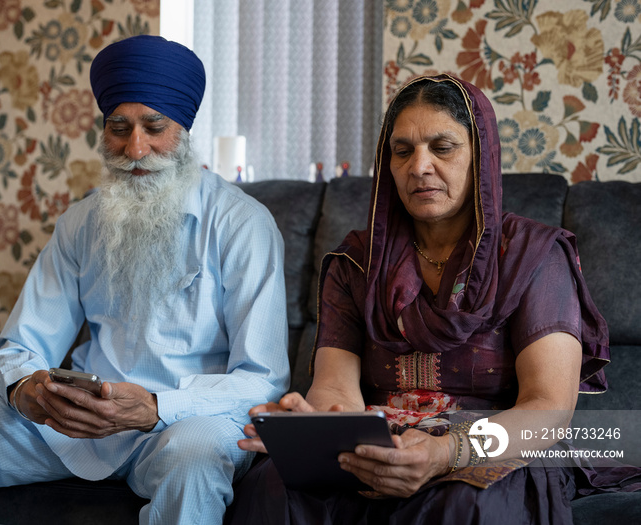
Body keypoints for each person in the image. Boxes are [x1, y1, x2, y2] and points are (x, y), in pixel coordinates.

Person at [225, 74, 641, 524]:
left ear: (480, 157)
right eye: (402, 151)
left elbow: (548, 408)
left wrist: (446, 452)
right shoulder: (357, 263)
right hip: (380, 445)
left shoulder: (533, 256)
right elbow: (336, 389)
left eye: (442, 148)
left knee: (464, 502)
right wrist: (315, 425)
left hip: (492, 448)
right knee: (274, 485)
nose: (418, 167)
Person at [0, 35, 290, 525]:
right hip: (81, 426)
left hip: (185, 424)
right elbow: (20, 345)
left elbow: (264, 381)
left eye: (154, 127)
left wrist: (154, 405)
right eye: (119, 128)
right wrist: (29, 391)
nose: (136, 149)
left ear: (185, 131)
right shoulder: (80, 223)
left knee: (194, 454)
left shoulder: (242, 224)